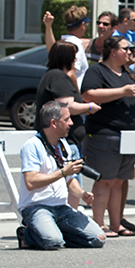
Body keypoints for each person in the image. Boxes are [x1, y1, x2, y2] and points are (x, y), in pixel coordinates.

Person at [15, 101, 104, 250]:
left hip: (61, 207)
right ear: (53, 123)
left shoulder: (63, 145)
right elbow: (31, 182)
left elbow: (70, 181)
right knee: (53, 242)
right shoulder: (32, 146)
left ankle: (54, 233)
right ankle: (27, 234)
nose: (71, 123)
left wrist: (83, 194)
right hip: (36, 207)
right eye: (66, 119)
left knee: (98, 239)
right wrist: (63, 172)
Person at [81, 36, 135, 236]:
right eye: (126, 48)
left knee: (118, 181)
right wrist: (123, 91)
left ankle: (116, 224)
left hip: (129, 136)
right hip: (106, 134)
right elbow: (88, 95)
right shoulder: (97, 71)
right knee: (105, 180)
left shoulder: (128, 72)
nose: (129, 52)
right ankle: (99, 224)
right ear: (112, 51)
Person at [34, 41, 102, 208]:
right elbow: (67, 106)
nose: (76, 60)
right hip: (64, 142)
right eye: (74, 56)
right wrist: (90, 107)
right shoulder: (58, 77)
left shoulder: (52, 75)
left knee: (70, 183)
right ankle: (70, 221)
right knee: (70, 185)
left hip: (62, 141)